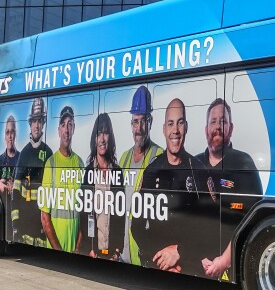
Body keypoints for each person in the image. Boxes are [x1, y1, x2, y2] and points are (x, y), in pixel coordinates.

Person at [136, 98, 217, 273]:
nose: (175, 130)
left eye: (180, 123)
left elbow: (212, 228)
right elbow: (137, 226)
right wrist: (161, 262)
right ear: (164, 129)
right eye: (170, 124)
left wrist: (180, 252)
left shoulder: (199, 172)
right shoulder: (151, 172)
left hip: (190, 269)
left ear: (186, 127)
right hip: (156, 267)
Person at [194, 98, 263, 279]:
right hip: (193, 262)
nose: (217, 126)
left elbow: (251, 218)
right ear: (206, 129)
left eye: (222, 121)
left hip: (230, 265)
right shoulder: (193, 164)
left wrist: (224, 261)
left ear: (231, 129)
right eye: (213, 121)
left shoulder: (244, 163)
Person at [118, 85, 164, 264]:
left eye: (143, 121)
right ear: (131, 124)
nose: (139, 128)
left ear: (150, 121)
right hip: (122, 254)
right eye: (135, 121)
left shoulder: (160, 156)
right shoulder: (124, 158)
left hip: (145, 255)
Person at [39, 105, 85, 253]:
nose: (66, 129)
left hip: (75, 251)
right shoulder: (51, 164)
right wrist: (57, 251)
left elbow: (84, 213)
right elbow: (45, 216)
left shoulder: (80, 163)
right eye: (63, 125)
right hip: (55, 251)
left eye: (70, 124)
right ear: (59, 130)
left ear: (74, 128)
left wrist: (78, 247)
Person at [80, 112, 125, 260]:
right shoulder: (88, 173)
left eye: (106, 133)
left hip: (112, 253)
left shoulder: (117, 172)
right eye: (99, 133)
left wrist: (117, 251)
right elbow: (83, 215)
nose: (102, 139)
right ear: (94, 138)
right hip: (94, 252)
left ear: (110, 137)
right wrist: (89, 249)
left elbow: (120, 215)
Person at [11, 98, 53, 244]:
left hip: (42, 226)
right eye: (34, 121)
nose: (37, 125)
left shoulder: (48, 153)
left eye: (40, 121)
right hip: (25, 226)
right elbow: (15, 193)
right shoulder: (23, 154)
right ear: (30, 124)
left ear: (43, 124)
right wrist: (16, 225)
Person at [0, 115, 18, 196]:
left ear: (15, 134)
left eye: (12, 132)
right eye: (7, 132)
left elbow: (28, 182)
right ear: (5, 136)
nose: (10, 136)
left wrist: (16, 186)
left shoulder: (22, 158)